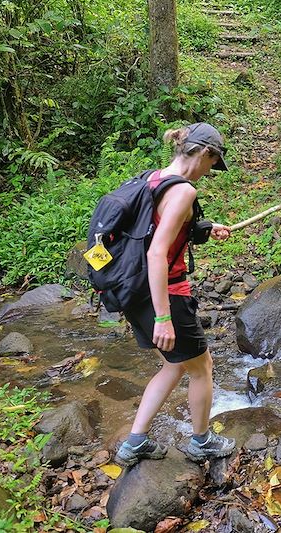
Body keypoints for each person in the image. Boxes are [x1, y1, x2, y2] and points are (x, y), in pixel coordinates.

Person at [115, 123, 236, 467]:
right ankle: (202, 442)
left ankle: (135, 441)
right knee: (202, 367)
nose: (211, 170)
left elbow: (152, 226)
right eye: (213, 163)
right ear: (204, 154)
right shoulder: (184, 191)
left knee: (173, 366)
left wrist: (204, 228)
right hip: (165, 292)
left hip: (134, 290)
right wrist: (164, 316)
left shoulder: (152, 178)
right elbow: (156, 252)